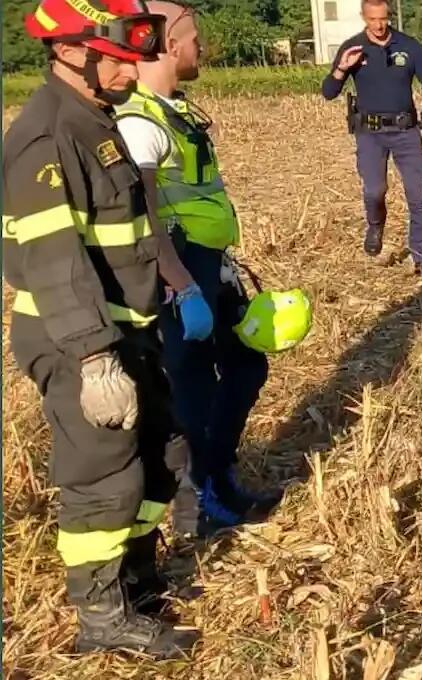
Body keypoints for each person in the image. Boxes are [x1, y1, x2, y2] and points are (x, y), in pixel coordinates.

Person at [2, 0, 202, 658]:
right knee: (104, 478)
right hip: (78, 341)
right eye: (118, 55)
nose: (134, 65)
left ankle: (140, 581)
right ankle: (100, 614)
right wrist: (94, 360)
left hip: (128, 328)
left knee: (160, 458)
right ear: (70, 53)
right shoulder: (46, 136)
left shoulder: (97, 120)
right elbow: (54, 261)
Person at [113, 1, 277, 535]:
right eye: (193, 37)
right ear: (166, 45)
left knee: (246, 366)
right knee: (191, 387)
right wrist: (182, 288)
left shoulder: (173, 111)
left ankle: (219, 474)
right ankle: (201, 499)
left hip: (209, 264)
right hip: (179, 273)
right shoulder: (140, 123)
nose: (200, 46)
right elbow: (143, 215)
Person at [321, 0, 422, 275]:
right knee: (374, 191)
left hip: (406, 131)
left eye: (383, 18)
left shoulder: (409, 46)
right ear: (364, 17)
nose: (379, 25)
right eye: (373, 19)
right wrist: (342, 69)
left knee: (417, 194)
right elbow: (328, 92)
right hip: (370, 134)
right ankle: (375, 224)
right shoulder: (353, 48)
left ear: (389, 16)